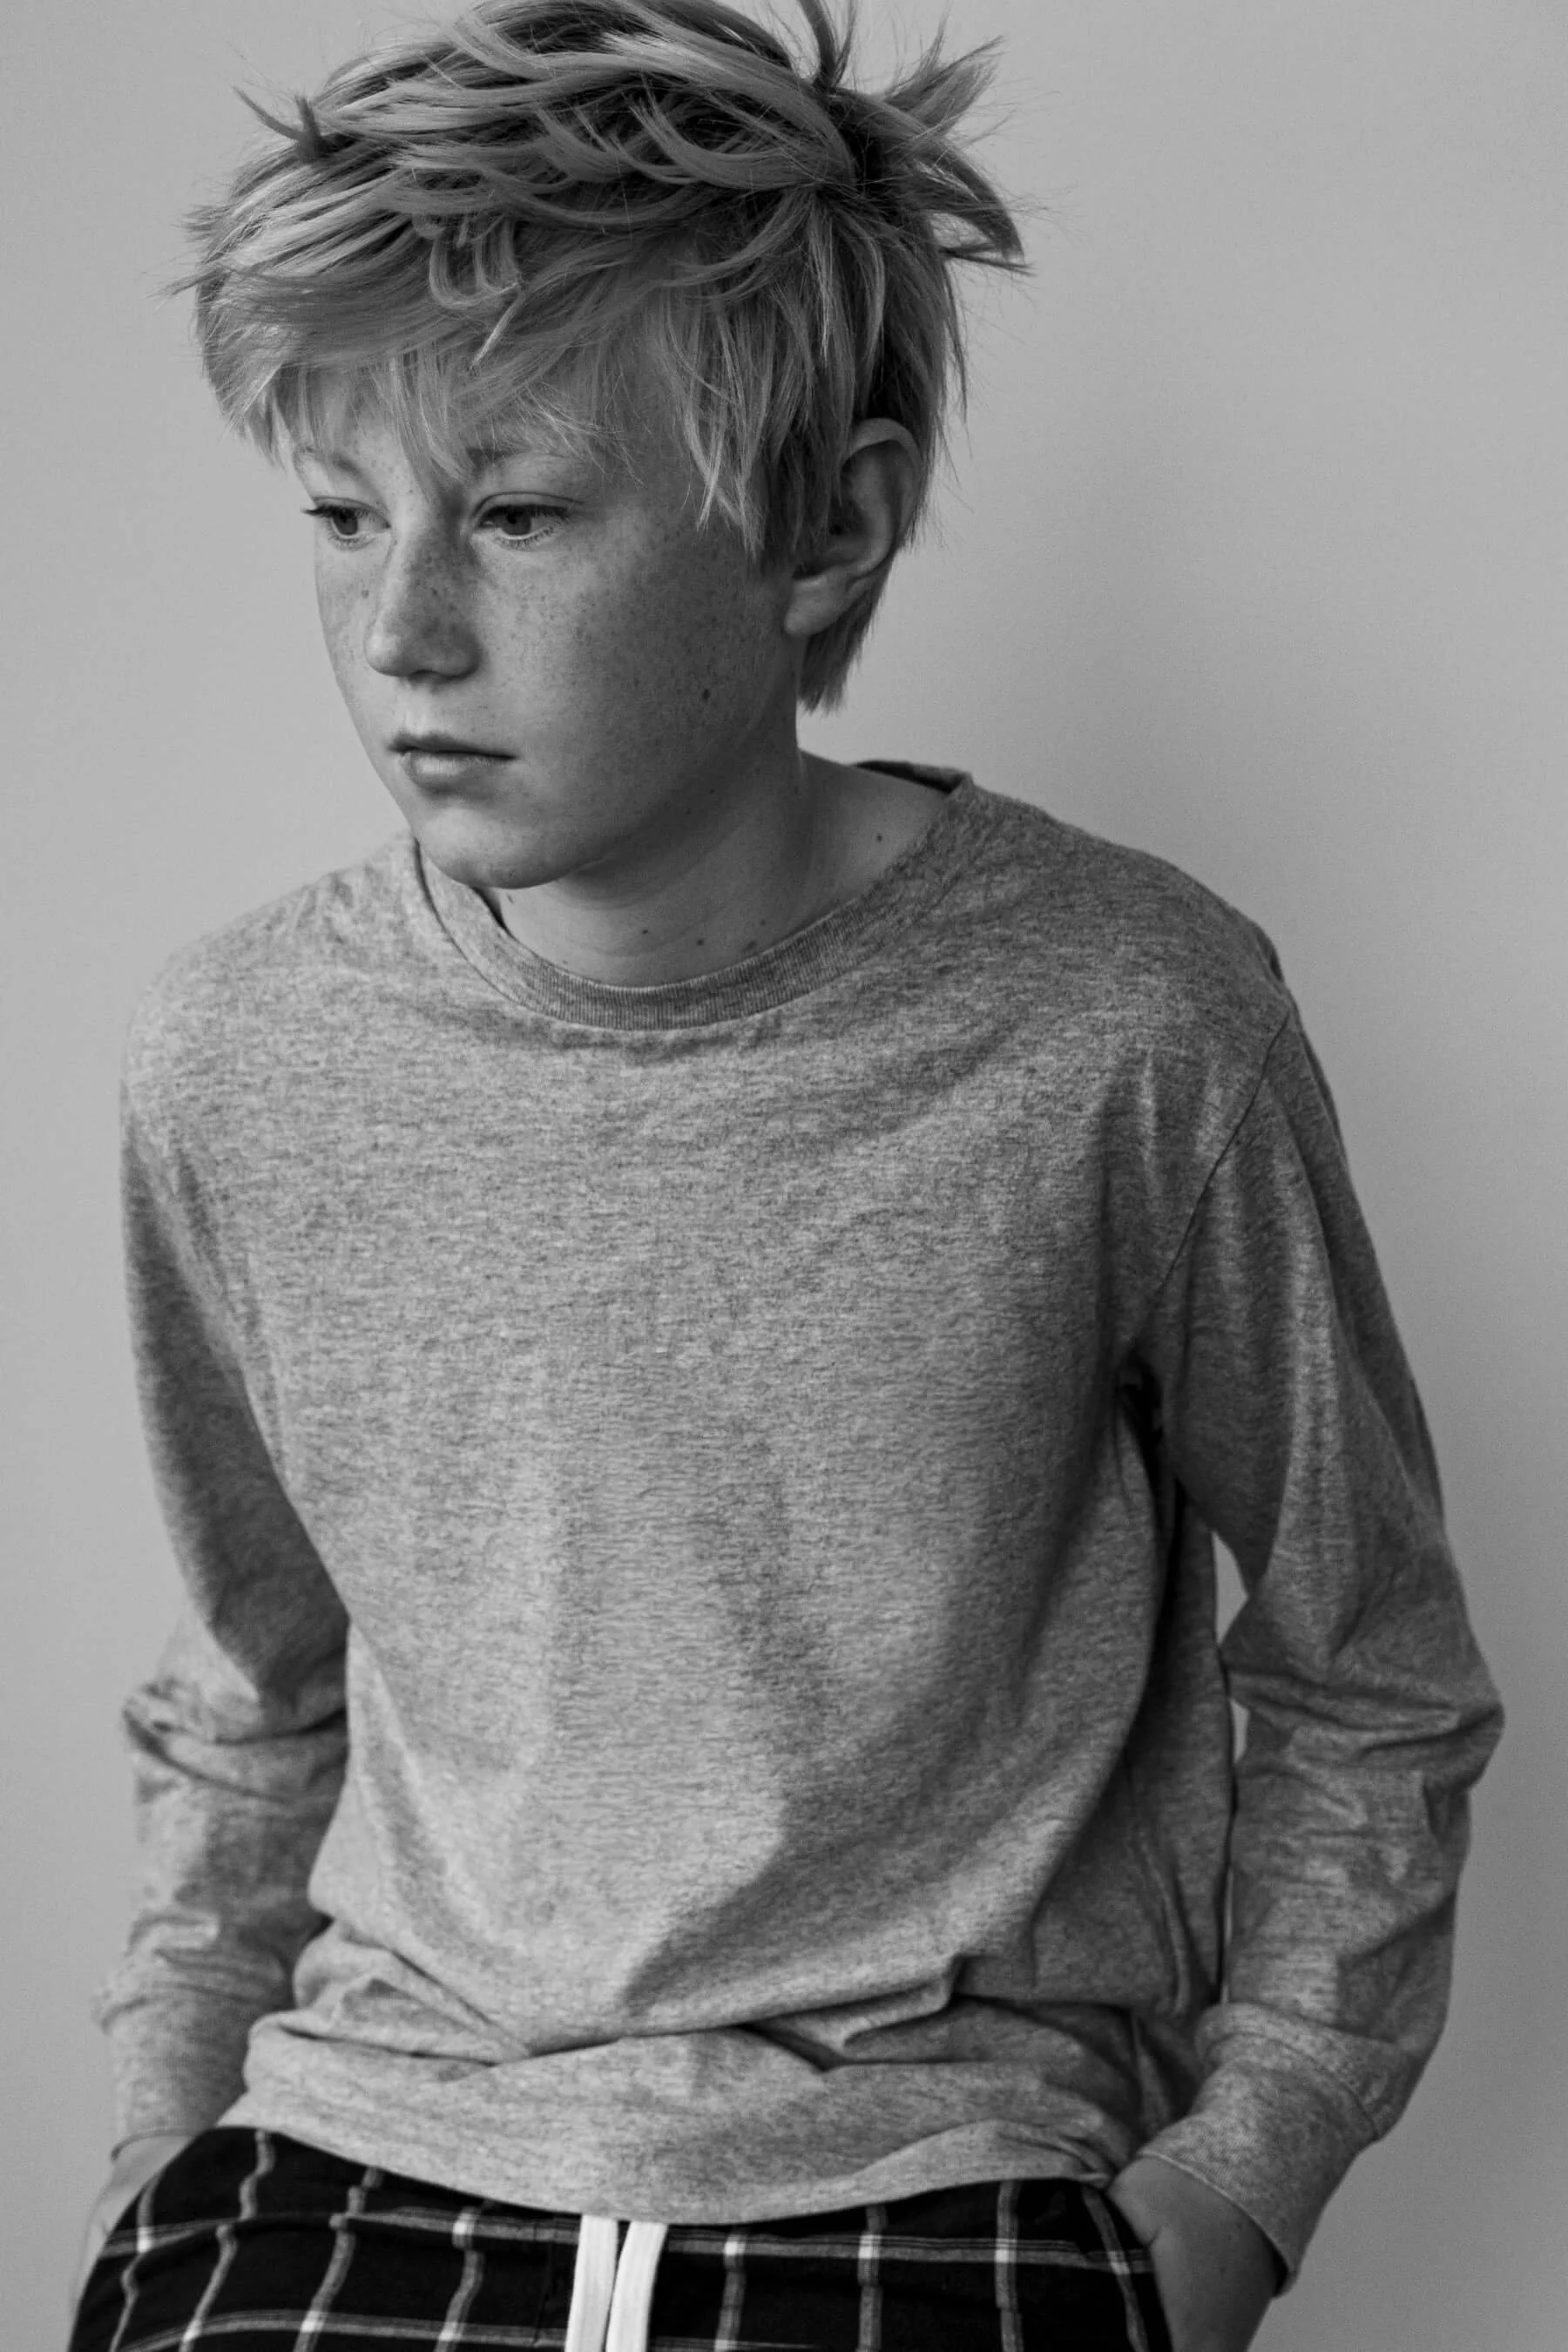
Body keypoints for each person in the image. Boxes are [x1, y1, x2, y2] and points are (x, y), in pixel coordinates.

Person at [69, 3, 1504, 2348]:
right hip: (345, 2167)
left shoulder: (1133, 1024)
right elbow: (250, 1683)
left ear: (824, 523)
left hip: (952, 2190)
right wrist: (152, 2169)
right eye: (344, 516)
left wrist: (1241, 2180)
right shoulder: (242, 1056)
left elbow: (1372, 1671)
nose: (402, 627)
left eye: (517, 511)